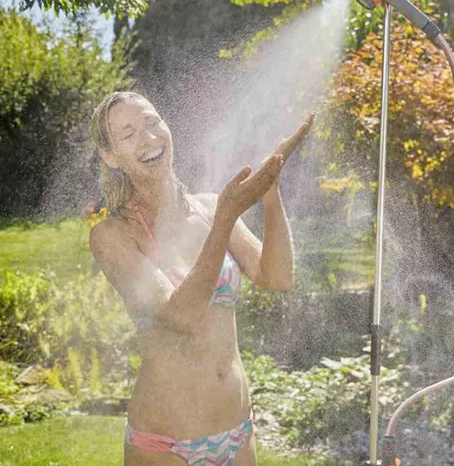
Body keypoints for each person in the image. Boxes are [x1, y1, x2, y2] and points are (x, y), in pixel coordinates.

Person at [89, 91, 314, 466]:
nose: (147, 137)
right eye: (128, 134)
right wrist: (225, 220)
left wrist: (270, 192)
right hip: (164, 445)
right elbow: (180, 317)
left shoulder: (211, 207)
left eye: (151, 122)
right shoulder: (113, 236)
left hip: (238, 433)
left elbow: (277, 277)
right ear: (111, 157)